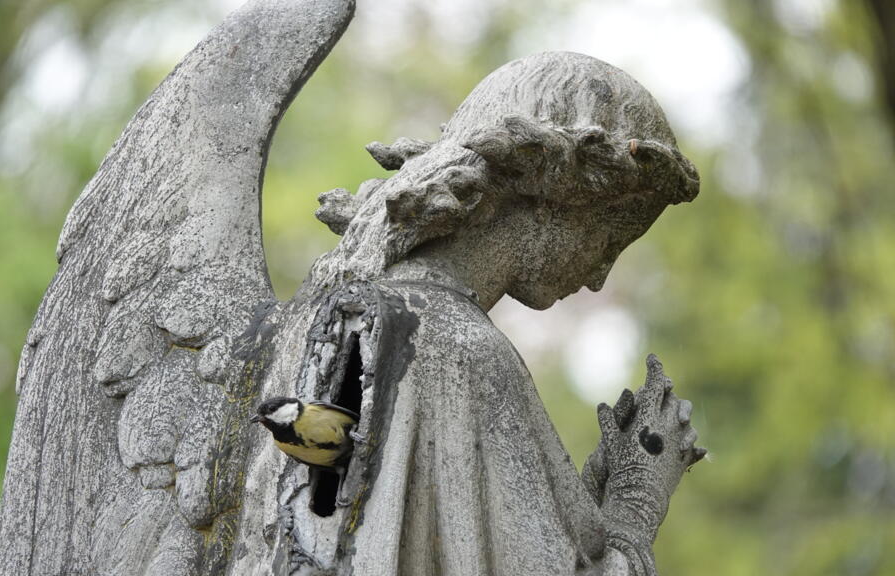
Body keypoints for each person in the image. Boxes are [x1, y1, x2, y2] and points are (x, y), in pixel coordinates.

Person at [236, 51, 704, 575]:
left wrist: (584, 504)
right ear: (557, 196)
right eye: (610, 239)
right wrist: (636, 506)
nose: (599, 275)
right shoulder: (456, 350)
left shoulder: (303, 325)